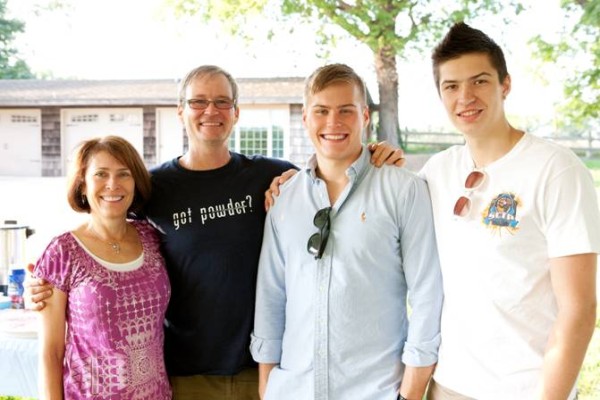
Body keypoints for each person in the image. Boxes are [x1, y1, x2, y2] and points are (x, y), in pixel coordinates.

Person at [26, 65, 405, 400]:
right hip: (185, 376)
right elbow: (102, 222)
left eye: (223, 102)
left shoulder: (271, 175)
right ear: (181, 112)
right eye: (198, 102)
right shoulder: (152, 188)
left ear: (236, 113)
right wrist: (48, 281)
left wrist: (374, 154)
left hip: (265, 369)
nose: (211, 111)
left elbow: (334, 167)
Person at [420, 22, 600, 399]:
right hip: (449, 384)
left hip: (527, 388)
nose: (465, 96)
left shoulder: (556, 169)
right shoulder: (436, 172)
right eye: (451, 86)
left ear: (505, 85)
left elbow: (579, 309)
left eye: (480, 81)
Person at [250, 63, 443, 400]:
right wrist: (269, 389)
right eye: (321, 111)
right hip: (293, 391)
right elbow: (271, 298)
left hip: (376, 392)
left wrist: (409, 395)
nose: (333, 122)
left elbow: (428, 294)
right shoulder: (283, 199)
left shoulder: (403, 191)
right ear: (306, 118)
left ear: (365, 116)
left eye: (346, 111)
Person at [34, 136, 171, 399]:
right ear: (82, 184)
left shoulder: (152, 238)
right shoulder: (63, 252)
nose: (113, 185)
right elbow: (50, 352)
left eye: (124, 174)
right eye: (101, 174)